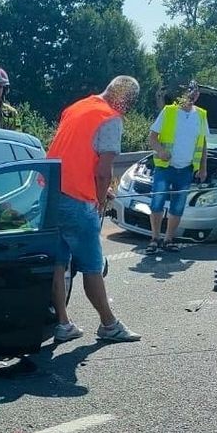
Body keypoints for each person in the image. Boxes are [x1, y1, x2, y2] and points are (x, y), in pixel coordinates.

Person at [46, 75, 142, 343]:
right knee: (92, 265)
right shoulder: (110, 118)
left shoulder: (77, 108)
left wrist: (98, 189)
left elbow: (75, 154)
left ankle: (63, 324)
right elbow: (102, 171)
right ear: (125, 100)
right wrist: (99, 199)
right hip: (78, 200)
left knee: (58, 262)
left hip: (52, 193)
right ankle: (109, 325)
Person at [145, 80, 208, 253]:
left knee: (178, 206)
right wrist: (160, 150)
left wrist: (203, 168)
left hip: (186, 168)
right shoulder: (169, 111)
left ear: (197, 95)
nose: (191, 96)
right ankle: (155, 238)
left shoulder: (201, 115)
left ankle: (168, 239)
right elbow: (152, 137)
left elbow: (203, 143)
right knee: (157, 202)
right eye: (189, 93)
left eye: (194, 93)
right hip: (165, 166)